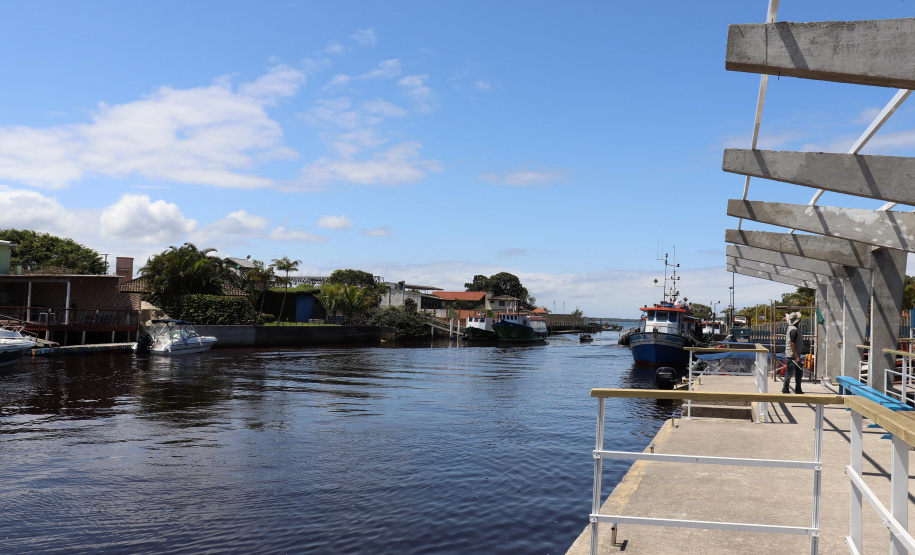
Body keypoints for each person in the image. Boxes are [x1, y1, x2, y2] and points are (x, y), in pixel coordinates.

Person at [782, 312, 804, 394]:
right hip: (792, 355)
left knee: (799, 372)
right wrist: (796, 357)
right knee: (789, 373)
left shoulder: (794, 327)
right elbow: (792, 344)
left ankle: (798, 389)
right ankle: (785, 389)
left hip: (795, 354)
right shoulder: (793, 329)